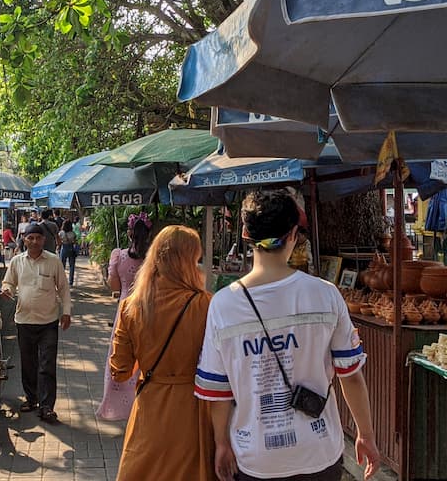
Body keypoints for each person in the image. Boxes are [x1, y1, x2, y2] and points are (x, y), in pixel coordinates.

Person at [195, 189, 380, 481]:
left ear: (245, 233)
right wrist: (365, 434)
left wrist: (221, 444)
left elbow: (218, 392)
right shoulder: (326, 295)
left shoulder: (223, 304)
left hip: (255, 456)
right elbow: (351, 376)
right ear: (293, 234)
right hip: (319, 452)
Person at [111, 225, 216, 480]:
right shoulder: (206, 304)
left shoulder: (130, 307)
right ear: (189, 262)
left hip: (150, 405)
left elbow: (120, 371)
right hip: (195, 408)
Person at [2, 222, 72, 423]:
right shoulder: (16, 262)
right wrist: (7, 290)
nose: (34, 241)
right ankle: (31, 399)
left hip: (49, 322)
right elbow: (9, 282)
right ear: (24, 239)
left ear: (44, 240)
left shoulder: (53, 261)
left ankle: (47, 406)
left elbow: (64, 289)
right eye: (30, 238)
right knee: (28, 363)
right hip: (24, 321)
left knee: (47, 364)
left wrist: (66, 312)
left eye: (38, 238)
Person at [96, 212, 151, 421]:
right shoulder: (154, 258)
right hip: (149, 310)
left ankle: (116, 404)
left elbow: (115, 286)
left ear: (129, 233)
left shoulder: (119, 255)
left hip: (126, 310)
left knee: (120, 354)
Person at [58, 219, 79, 286]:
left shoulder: (61, 233)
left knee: (62, 266)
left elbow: (58, 241)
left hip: (64, 248)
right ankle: (71, 281)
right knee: (72, 266)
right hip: (71, 249)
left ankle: (62, 281)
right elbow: (76, 241)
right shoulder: (73, 233)